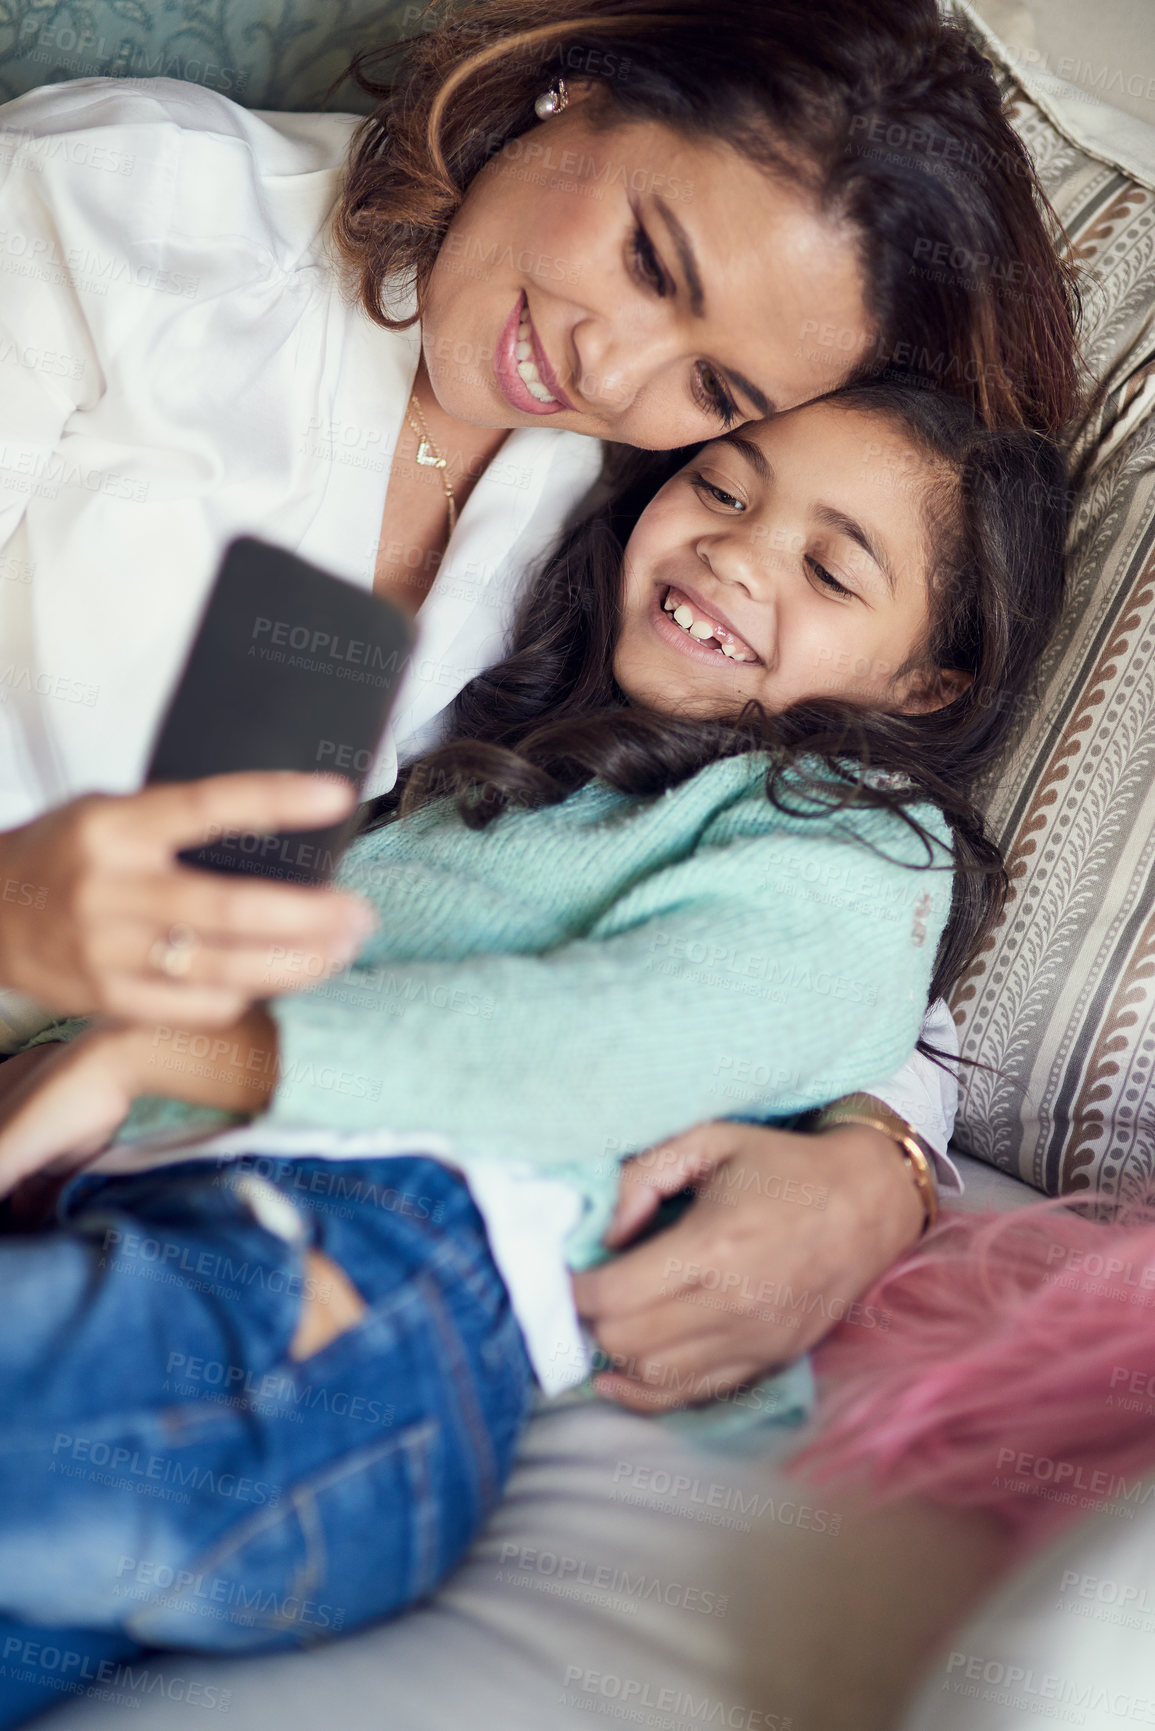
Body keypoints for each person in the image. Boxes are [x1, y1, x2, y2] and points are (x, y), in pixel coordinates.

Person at [0, 0, 1080, 1412]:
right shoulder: (116, 213)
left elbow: (811, 867)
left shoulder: (644, 520)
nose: (610, 375)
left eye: (717, 385)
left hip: (142, 1174)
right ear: (576, 88)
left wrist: (872, 1167)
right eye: (648, 259)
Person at [0, 383, 1067, 1688]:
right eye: (723, 486)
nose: (735, 548)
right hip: (151, 1232)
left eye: (831, 569)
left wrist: (159, 1057)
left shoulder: (860, 845)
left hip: (353, 1294)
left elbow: (596, 1048)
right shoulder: (496, 778)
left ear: (927, 680)